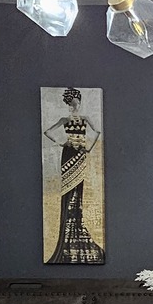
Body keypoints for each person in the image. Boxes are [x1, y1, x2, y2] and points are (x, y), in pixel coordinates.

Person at [44, 87, 104, 263]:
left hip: (79, 155)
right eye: (72, 102)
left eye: (76, 101)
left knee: (78, 190)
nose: (74, 105)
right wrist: (61, 142)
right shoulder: (65, 119)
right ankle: (66, 233)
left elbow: (97, 132)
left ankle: (77, 226)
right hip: (69, 153)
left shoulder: (84, 118)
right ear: (70, 103)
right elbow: (47, 132)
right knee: (67, 191)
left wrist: (89, 148)